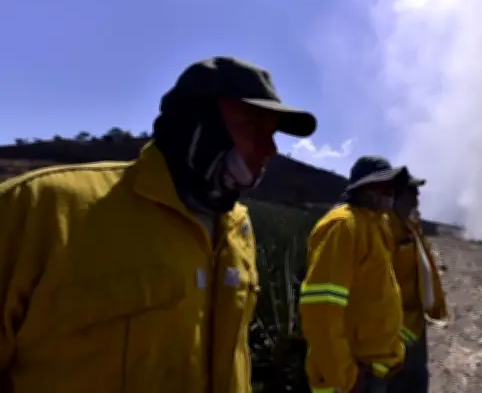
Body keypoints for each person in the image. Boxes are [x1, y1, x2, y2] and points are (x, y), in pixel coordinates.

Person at [0, 56, 317, 393]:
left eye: (272, 133)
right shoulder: (42, 206)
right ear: (198, 124)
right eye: (252, 126)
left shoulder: (238, 228)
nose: (270, 149)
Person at [299, 156, 410, 393]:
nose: (389, 191)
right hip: (350, 379)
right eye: (380, 185)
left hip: (372, 370)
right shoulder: (343, 225)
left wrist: (394, 350)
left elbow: (379, 294)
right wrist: (345, 375)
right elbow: (321, 308)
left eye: (391, 185)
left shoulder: (378, 225)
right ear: (362, 188)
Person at [386, 174, 448, 393]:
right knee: (398, 382)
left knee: (417, 379)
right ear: (397, 195)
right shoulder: (386, 229)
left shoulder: (411, 226)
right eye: (412, 191)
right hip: (395, 328)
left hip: (415, 324)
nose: (418, 195)